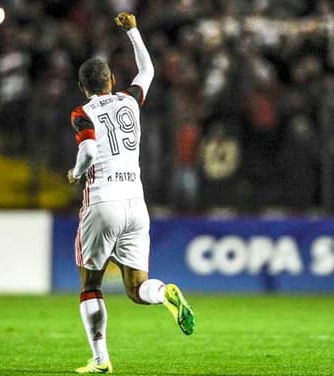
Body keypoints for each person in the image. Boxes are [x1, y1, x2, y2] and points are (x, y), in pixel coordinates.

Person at [66, 13, 195, 374]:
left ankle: (100, 358)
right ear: (111, 80)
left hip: (102, 201)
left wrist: (76, 173)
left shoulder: (83, 111)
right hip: (136, 203)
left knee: (90, 284)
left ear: (83, 87)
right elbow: (148, 72)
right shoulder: (129, 100)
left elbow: (89, 152)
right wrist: (133, 31)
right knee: (138, 289)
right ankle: (164, 291)